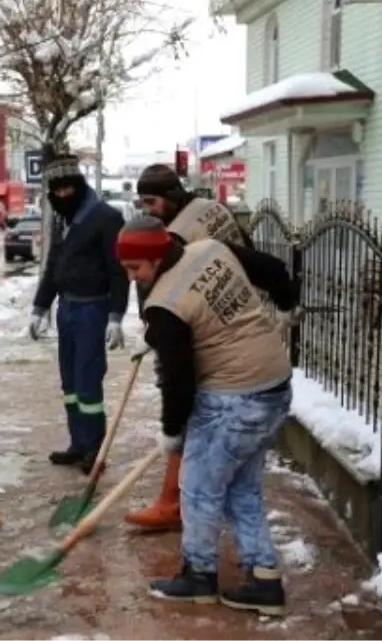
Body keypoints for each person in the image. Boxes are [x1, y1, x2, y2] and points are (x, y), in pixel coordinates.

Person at [115, 216, 296, 615]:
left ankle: (198, 575)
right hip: (275, 385)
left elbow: (180, 380)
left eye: (135, 268)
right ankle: (264, 578)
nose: (132, 279)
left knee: (197, 488)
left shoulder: (165, 303)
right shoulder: (210, 249)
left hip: (234, 399)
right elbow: (273, 270)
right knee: (241, 488)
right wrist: (286, 305)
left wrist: (171, 429)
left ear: (157, 258)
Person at [123, 164, 255, 531]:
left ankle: (173, 503)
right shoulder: (212, 208)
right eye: (142, 202)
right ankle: (186, 497)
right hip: (239, 310)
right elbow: (249, 253)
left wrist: (154, 332)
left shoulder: (177, 235)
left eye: (151, 201)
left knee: (185, 404)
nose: (147, 209)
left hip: (212, 328)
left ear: (169, 196)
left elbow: (166, 294)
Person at [29, 155, 130, 474]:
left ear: (78, 185)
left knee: (88, 383)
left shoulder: (105, 218)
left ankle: (94, 448)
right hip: (67, 309)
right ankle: (78, 443)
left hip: (92, 309)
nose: (61, 196)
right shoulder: (64, 219)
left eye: (67, 188)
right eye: (55, 190)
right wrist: (40, 307)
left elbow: (118, 271)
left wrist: (116, 315)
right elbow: (53, 267)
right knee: (70, 383)